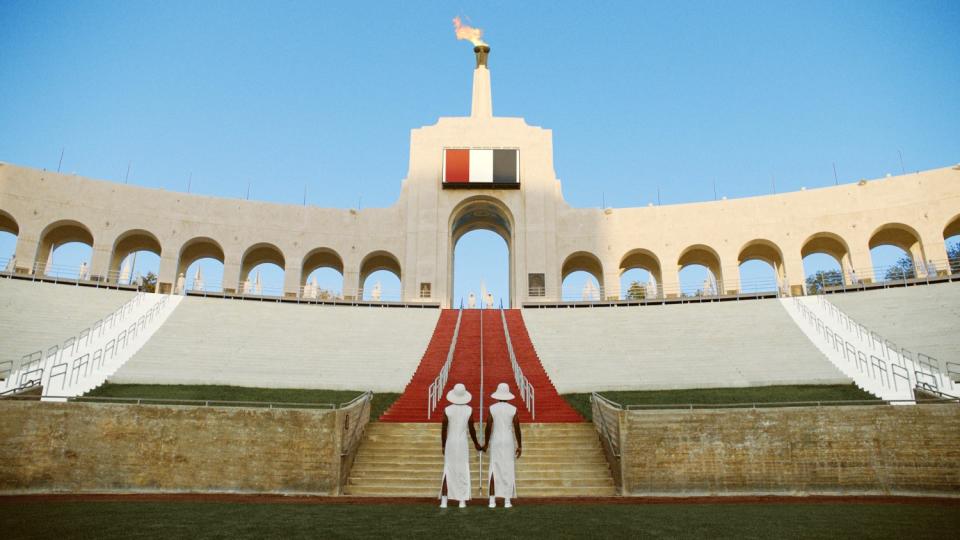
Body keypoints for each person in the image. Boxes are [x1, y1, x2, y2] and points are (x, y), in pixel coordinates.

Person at [439, 383, 482, 508]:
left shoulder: (447, 410)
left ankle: (444, 500)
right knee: (463, 469)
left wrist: (443, 445)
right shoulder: (468, 410)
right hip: (462, 443)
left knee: (448, 469)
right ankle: (462, 500)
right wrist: (476, 443)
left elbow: (444, 429)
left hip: (450, 443)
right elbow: (472, 429)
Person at [482, 382, 522, 508]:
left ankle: (492, 500)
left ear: (498, 394)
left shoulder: (492, 408)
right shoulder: (513, 409)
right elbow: (517, 427)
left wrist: (486, 443)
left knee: (494, 467)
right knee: (508, 468)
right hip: (508, 441)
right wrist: (519, 445)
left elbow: (488, 426)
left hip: (496, 440)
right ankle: (507, 501)